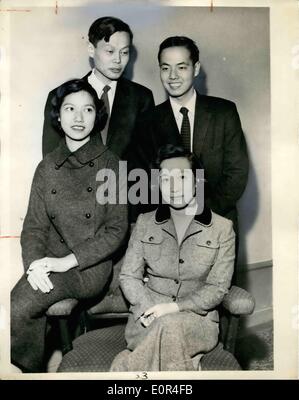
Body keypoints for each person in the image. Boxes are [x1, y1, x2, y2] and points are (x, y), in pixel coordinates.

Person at [11, 79, 128, 373]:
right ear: (58, 116)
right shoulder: (47, 167)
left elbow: (115, 230)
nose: (78, 118)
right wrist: (35, 264)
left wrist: (66, 262)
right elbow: (34, 227)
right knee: (17, 303)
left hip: (88, 268)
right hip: (49, 261)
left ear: (97, 116)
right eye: (70, 109)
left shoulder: (110, 164)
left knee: (23, 302)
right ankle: (28, 371)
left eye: (87, 109)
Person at [110, 144, 235, 371]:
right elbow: (128, 276)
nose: (174, 187)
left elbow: (217, 288)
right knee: (168, 332)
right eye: (166, 179)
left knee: (171, 326)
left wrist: (174, 308)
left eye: (182, 178)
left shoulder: (222, 228)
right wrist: (149, 307)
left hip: (197, 322)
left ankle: (125, 368)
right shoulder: (145, 222)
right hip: (146, 318)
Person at [138, 36, 248, 233]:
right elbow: (147, 180)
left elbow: (237, 174)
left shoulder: (224, 112)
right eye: (165, 68)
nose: (173, 76)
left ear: (195, 68)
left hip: (218, 224)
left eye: (181, 67)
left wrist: (201, 212)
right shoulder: (148, 121)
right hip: (169, 229)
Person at [42, 16, 154, 168]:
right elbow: (52, 161)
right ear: (91, 49)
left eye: (125, 52)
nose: (118, 60)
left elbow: (147, 160)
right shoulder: (60, 96)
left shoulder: (141, 98)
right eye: (110, 51)